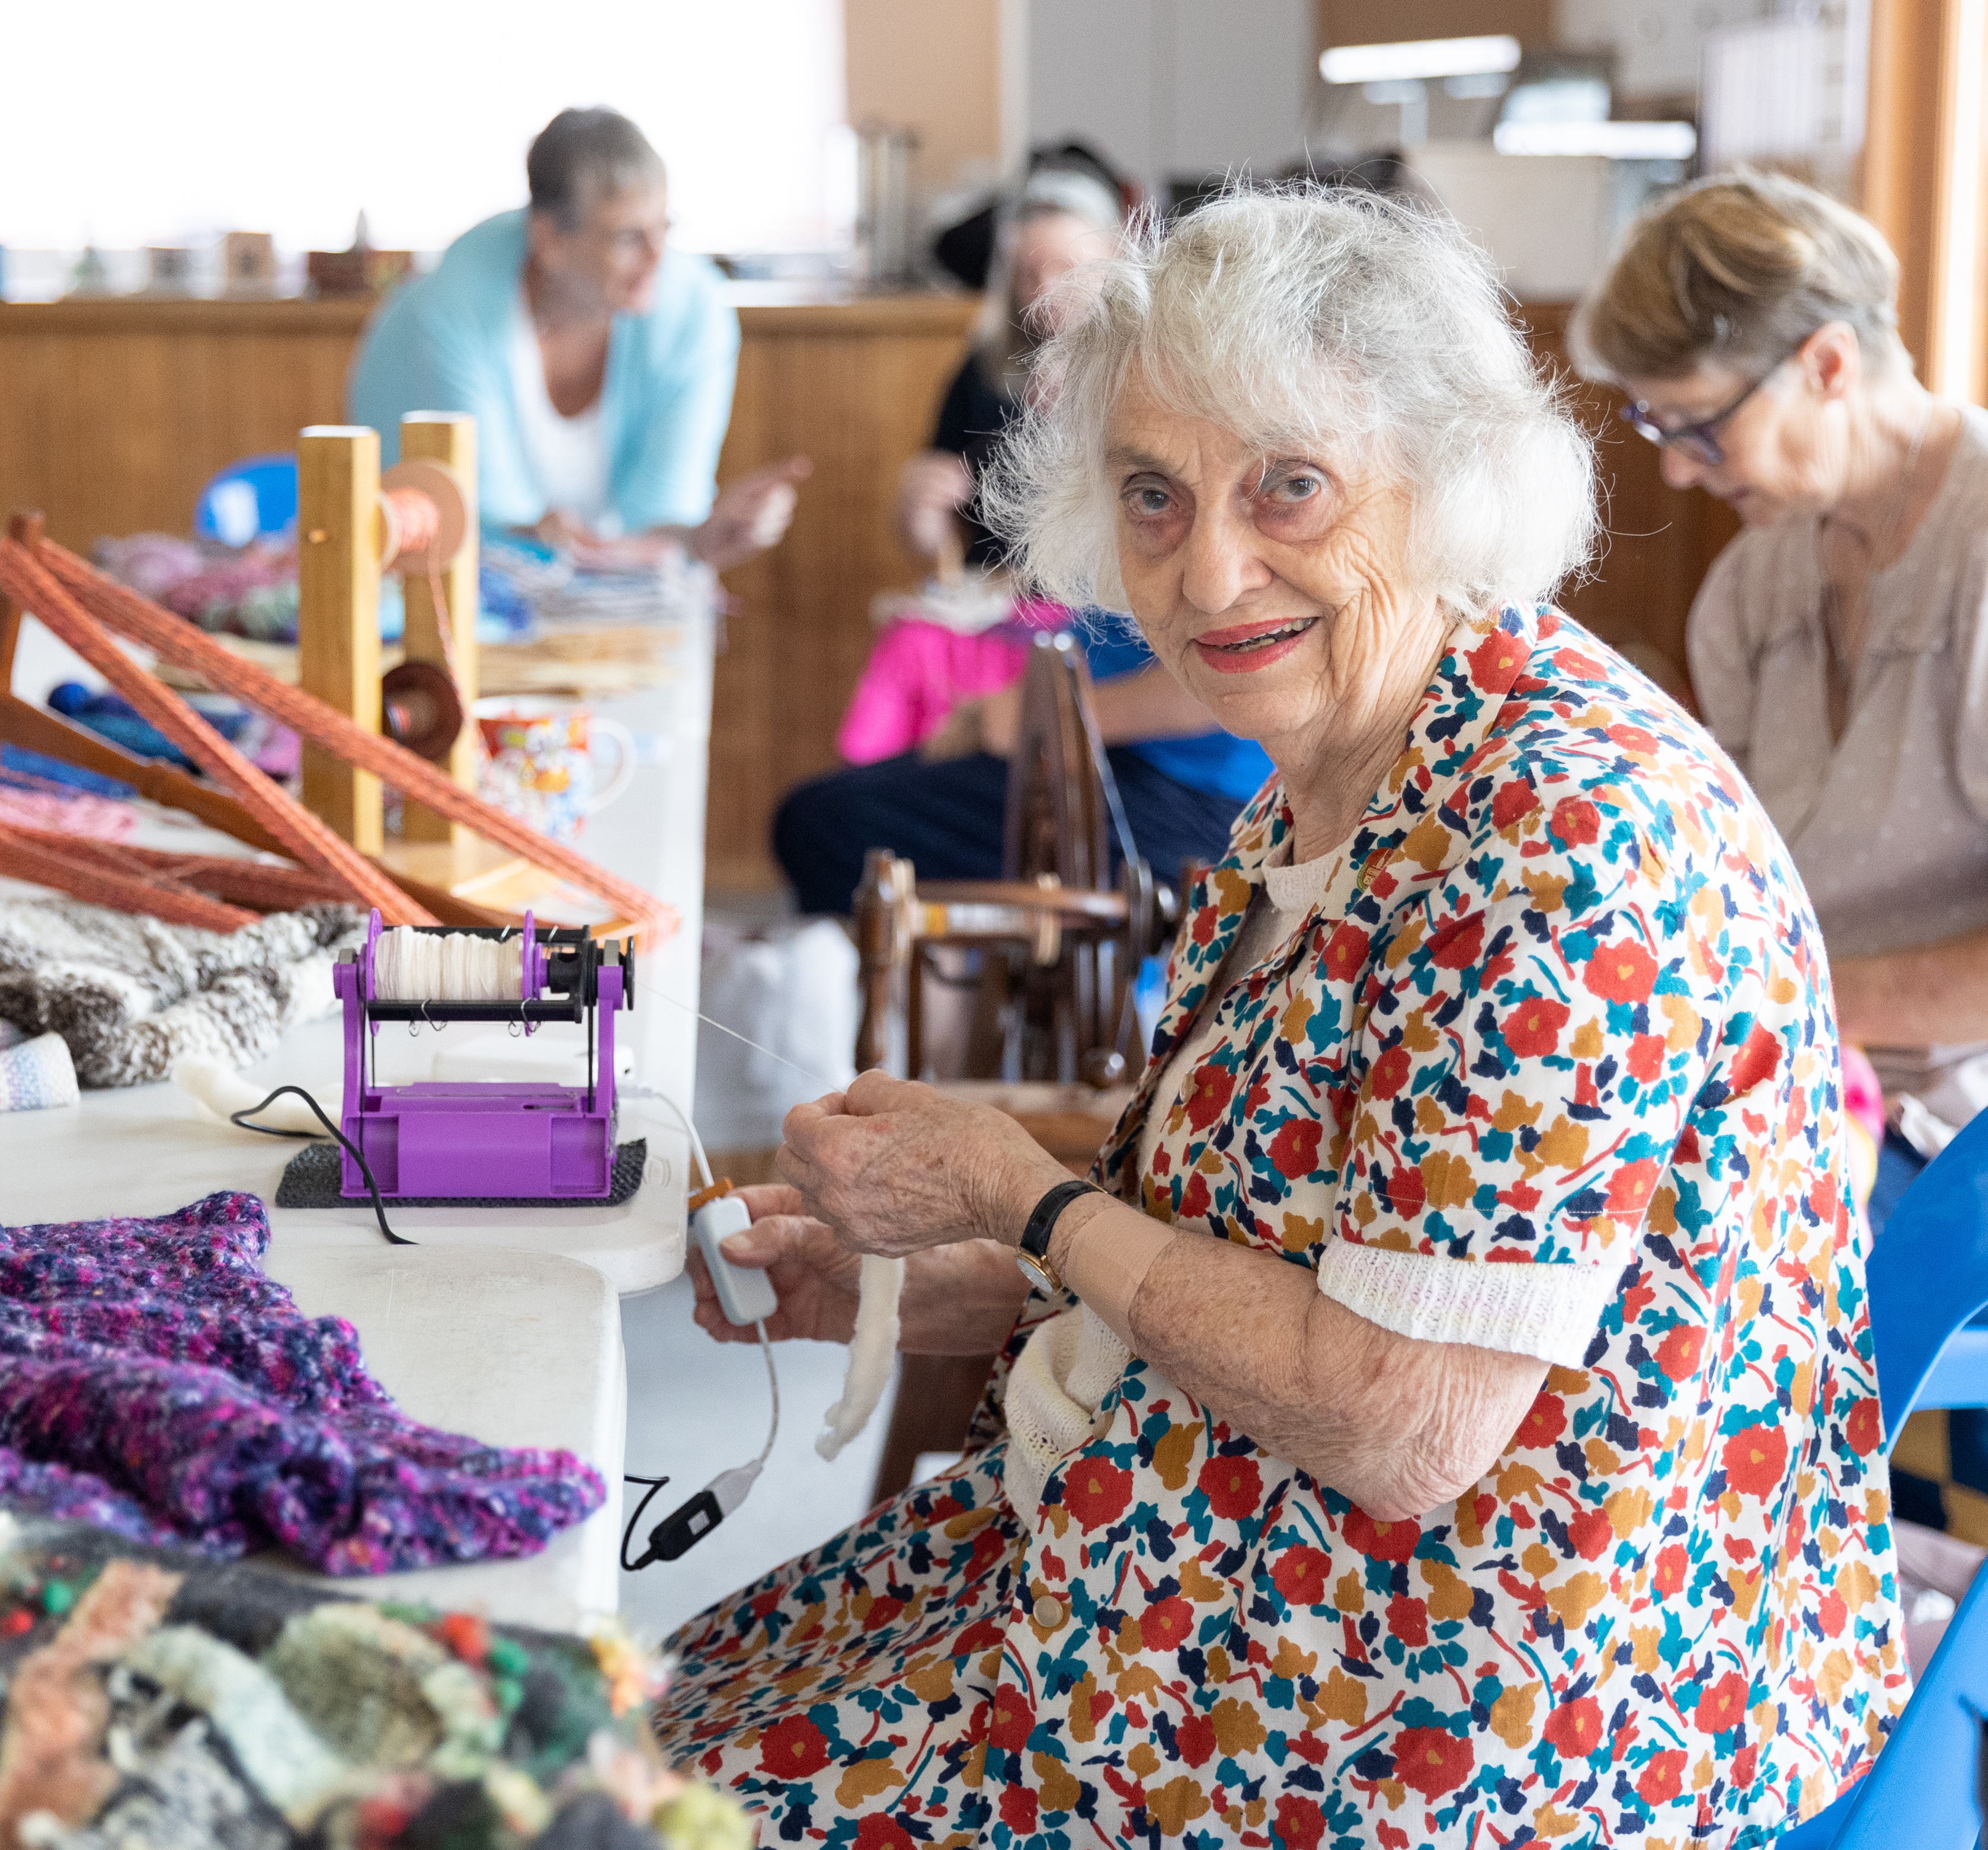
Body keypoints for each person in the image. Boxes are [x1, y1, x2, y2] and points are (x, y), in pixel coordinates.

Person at [666, 187, 1899, 1842]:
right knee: (626, 1718)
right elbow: (1271, 1243)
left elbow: (1396, 1421)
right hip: (1220, 1567)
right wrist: (919, 1282)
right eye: (1153, 499)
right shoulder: (1344, 764)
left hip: (1453, 1699)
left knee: (623, 1796)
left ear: (1444, 479)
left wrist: (1022, 1193)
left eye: (1289, 486)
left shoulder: (1559, 839)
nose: (1210, 568)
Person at [1572, 171, 1988, 1527]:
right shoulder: (1759, 579)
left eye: (1695, 426)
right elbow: (1730, 876)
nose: (1683, 468)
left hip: (1954, 1121)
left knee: (1652, 1306)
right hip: (1806, 1080)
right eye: (1656, 426)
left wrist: (1788, 1016)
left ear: (1825, 363)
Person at [771, 157, 1267, 913]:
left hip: (1181, 787)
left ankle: (955, 1005)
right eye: (1030, 271)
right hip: (1096, 741)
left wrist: (1022, 720)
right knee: (844, 810)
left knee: (825, 825)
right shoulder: (1023, 383)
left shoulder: (1189, 431)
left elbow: (1231, 673)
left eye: (1068, 270)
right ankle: (957, 998)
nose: (1046, 293)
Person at [348, 107, 808, 570]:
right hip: (447, 576)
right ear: (549, 239)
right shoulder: (454, 307)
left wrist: (702, 537)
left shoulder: (695, 310)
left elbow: (663, 517)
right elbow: (487, 528)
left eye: (663, 229)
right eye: (629, 237)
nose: (657, 258)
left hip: (599, 587)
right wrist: (569, 545)